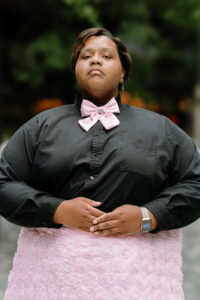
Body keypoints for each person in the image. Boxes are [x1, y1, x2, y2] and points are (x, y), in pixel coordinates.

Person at [0, 27, 200, 300]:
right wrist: (57, 210)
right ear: (76, 69)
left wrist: (146, 217)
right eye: (86, 56)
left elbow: (196, 184)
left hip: (136, 285)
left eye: (106, 56)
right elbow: (4, 183)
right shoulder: (39, 127)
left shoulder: (162, 130)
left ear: (123, 73)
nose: (95, 60)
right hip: (53, 284)